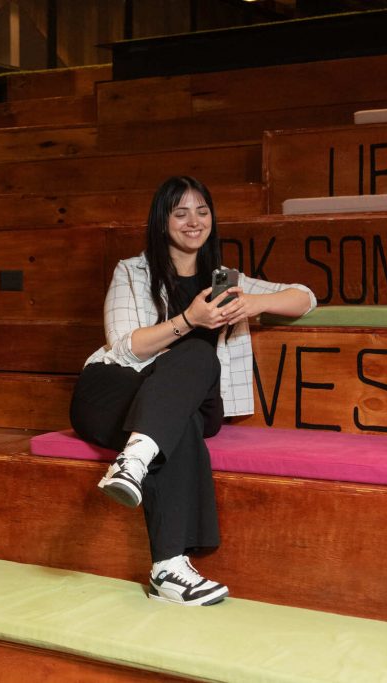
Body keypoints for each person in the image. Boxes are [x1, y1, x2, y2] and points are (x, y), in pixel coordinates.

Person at [69, 176, 316, 606]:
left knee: (198, 358)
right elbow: (124, 347)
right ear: (162, 221)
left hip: (193, 400)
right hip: (113, 389)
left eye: (202, 211)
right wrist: (189, 320)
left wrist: (253, 303)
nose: (193, 221)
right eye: (180, 213)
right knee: (174, 424)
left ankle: (134, 460)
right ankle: (168, 570)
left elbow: (305, 297)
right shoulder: (133, 271)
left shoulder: (225, 281)